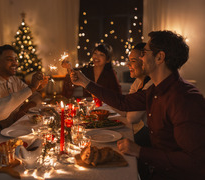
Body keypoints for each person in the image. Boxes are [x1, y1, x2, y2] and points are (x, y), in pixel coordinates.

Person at [70, 30, 205, 179]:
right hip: (157, 170)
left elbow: (195, 161)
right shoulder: (155, 89)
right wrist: (84, 82)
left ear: (159, 57)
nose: (140, 57)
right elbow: (123, 102)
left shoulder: (185, 99)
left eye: (144, 52)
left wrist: (140, 151)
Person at [0, 44, 48, 130]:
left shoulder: (14, 80)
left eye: (16, 60)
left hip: (22, 126)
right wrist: (32, 87)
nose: (15, 63)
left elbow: (37, 96)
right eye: (10, 59)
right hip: (4, 133)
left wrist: (24, 109)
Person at [127, 42, 152, 147]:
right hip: (146, 130)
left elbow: (131, 118)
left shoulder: (151, 85)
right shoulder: (138, 81)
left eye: (133, 61)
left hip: (152, 135)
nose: (128, 65)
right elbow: (127, 104)